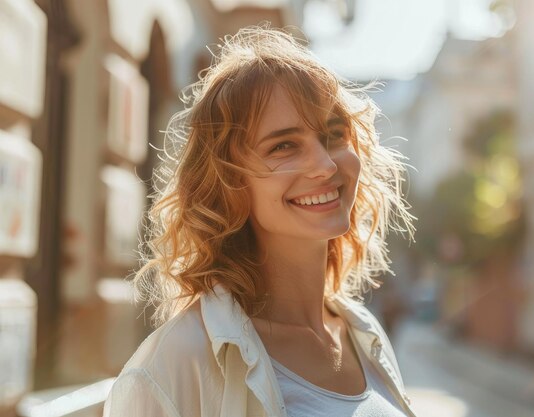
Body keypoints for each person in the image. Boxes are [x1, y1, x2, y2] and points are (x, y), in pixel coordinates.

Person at [103, 26, 416, 417]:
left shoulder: (364, 335)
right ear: (230, 181)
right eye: (284, 145)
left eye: (334, 135)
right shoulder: (176, 365)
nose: (325, 164)